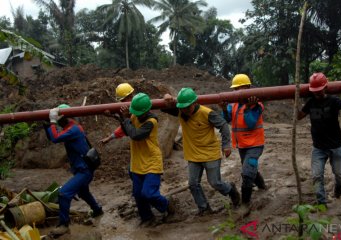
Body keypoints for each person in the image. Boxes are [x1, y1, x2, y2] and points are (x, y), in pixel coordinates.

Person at [163, 88, 240, 215]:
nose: (185, 111)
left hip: (210, 154)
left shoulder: (207, 113)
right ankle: (204, 208)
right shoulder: (181, 111)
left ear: (194, 103)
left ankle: (231, 190)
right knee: (193, 184)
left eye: (187, 107)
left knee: (215, 182)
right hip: (193, 155)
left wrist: (226, 145)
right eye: (182, 108)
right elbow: (165, 107)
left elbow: (224, 125)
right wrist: (166, 97)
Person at [298, 72, 341, 206]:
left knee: (339, 175)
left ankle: (338, 190)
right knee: (316, 176)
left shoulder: (333, 100)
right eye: (315, 91)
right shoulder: (310, 102)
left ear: (325, 87)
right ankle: (321, 203)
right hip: (318, 148)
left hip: (336, 146)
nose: (317, 93)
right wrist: (295, 101)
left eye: (319, 91)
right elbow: (299, 116)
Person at [44, 104, 103, 236]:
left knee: (64, 194)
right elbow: (54, 136)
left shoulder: (73, 129)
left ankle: (64, 225)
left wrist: (52, 122)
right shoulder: (70, 128)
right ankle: (97, 210)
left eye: (59, 119)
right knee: (83, 192)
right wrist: (47, 124)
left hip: (84, 170)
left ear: (64, 118)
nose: (58, 121)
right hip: (82, 169)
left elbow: (55, 138)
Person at [117, 93, 174, 224]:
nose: (137, 115)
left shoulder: (151, 121)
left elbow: (135, 135)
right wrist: (120, 117)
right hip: (137, 161)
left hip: (151, 161)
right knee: (138, 195)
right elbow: (127, 131)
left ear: (147, 110)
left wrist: (126, 119)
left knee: (149, 193)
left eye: (139, 113)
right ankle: (147, 218)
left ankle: (167, 205)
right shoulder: (135, 115)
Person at [220, 74, 267, 209]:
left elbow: (251, 123)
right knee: (251, 168)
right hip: (242, 145)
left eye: (240, 89)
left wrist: (248, 107)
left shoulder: (257, 105)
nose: (237, 92)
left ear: (249, 88)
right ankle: (262, 186)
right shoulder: (233, 104)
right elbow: (228, 119)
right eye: (235, 89)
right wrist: (224, 109)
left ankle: (245, 203)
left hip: (255, 145)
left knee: (247, 173)